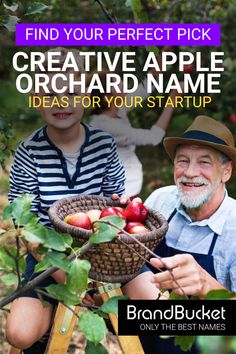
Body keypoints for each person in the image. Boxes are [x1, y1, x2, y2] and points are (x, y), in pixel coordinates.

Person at [6, 47, 125, 352]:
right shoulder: (29, 151)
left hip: (102, 254)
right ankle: (45, 326)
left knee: (142, 315)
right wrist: (69, 279)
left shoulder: (104, 145)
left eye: (71, 92)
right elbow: (28, 229)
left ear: (86, 94)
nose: (61, 103)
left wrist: (97, 275)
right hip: (47, 258)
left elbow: (116, 209)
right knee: (19, 334)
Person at [122, 115, 236, 354]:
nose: (190, 173)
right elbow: (132, 265)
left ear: (226, 172)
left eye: (204, 162)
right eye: (182, 161)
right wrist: (120, 222)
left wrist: (208, 286)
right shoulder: (161, 200)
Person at [89, 69, 182, 197]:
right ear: (108, 97)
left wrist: (159, 65)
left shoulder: (113, 111)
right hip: (121, 192)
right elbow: (154, 137)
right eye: (117, 83)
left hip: (126, 186)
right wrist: (173, 99)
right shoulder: (107, 127)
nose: (122, 82)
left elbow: (141, 92)